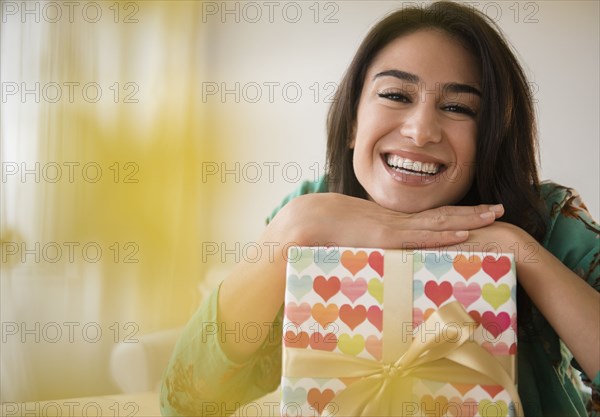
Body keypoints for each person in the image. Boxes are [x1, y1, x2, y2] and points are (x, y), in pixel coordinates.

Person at [160, 1, 599, 416]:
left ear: (491, 140)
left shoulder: (549, 219)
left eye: (457, 107)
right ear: (353, 120)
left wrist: (515, 247)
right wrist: (288, 231)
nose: (421, 130)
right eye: (396, 95)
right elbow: (189, 401)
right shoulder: (310, 213)